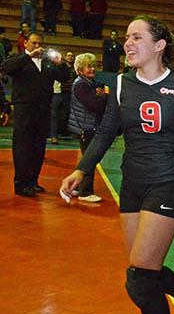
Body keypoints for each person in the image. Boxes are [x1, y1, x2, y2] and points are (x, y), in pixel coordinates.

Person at [60, 15, 174, 314]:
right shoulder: (123, 83)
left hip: (168, 182)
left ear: (159, 45)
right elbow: (106, 131)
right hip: (132, 184)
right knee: (144, 270)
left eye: (137, 37)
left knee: (139, 277)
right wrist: (82, 170)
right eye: (128, 37)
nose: (128, 42)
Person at [2, 32, 68, 197]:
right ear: (26, 43)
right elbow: (6, 68)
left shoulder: (47, 64)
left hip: (43, 109)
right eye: (34, 43)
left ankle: (33, 181)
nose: (38, 46)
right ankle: (21, 183)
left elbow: (64, 77)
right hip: (24, 109)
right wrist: (29, 56)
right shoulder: (19, 60)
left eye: (40, 43)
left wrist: (61, 64)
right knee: (23, 146)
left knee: (38, 146)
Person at [67, 52, 107, 202]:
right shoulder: (82, 84)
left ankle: (78, 188)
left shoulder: (86, 83)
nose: (92, 69)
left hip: (85, 126)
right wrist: (104, 95)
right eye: (88, 67)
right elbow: (93, 105)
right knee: (90, 158)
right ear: (80, 69)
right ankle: (85, 192)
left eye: (93, 66)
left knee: (87, 158)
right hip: (85, 126)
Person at [49, 51, 76, 144]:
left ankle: (63, 130)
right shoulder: (59, 66)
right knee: (54, 114)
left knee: (65, 114)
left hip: (68, 93)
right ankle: (53, 135)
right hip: (57, 92)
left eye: (72, 55)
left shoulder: (75, 68)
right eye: (68, 55)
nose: (70, 57)